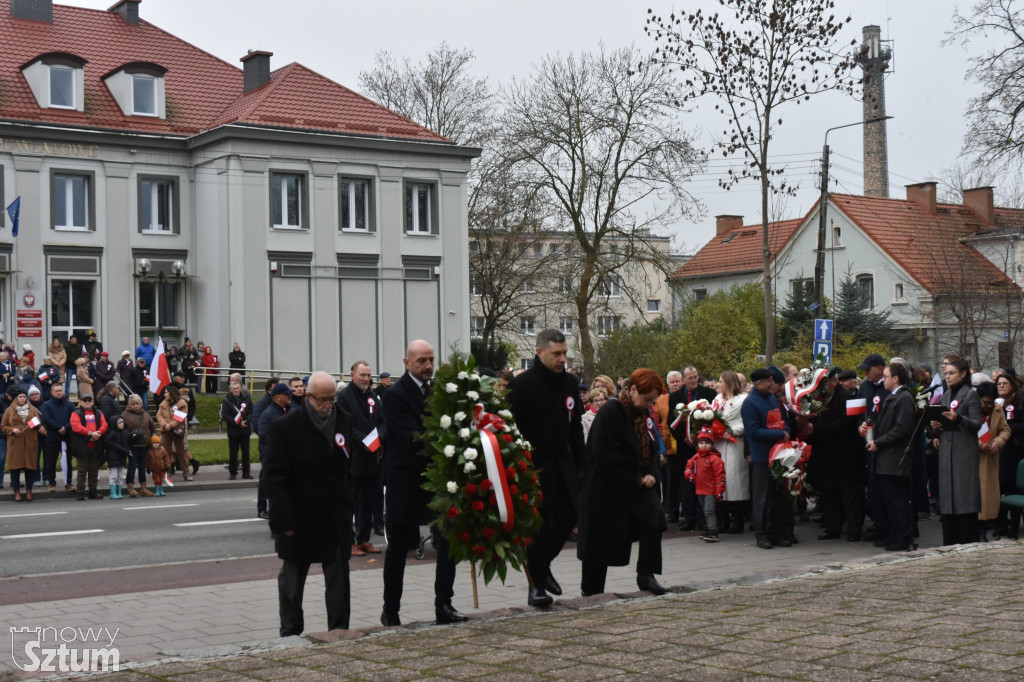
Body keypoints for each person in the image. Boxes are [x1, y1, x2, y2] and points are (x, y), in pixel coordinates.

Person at [381, 339, 467, 626]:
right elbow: (411, 437)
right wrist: (450, 443)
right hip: (406, 481)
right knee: (398, 547)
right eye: (421, 361)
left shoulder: (440, 392)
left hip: (439, 479)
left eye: (431, 359)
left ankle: (444, 603)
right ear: (407, 363)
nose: (428, 365)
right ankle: (390, 609)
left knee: (447, 540)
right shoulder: (394, 395)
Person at [264, 372, 355, 637]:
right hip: (299, 516)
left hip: (334, 514)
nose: (327, 405)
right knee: (292, 580)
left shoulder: (344, 420)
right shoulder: (285, 427)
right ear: (308, 395)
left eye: (331, 399)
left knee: (338, 576)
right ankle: (290, 632)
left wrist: (349, 504)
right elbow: (274, 477)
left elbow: (347, 467)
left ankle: (339, 629)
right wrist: (283, 520)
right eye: (321, 400)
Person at [507, 329, 587, 608]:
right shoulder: (522, 385)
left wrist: (582, 464)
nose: (562, 359)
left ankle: (541, 566)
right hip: (534, 468)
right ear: (539, 353)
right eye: (556, 354)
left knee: (568, 519)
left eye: (565, 353)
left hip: (565, 465)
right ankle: (536, 586)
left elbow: (575, 427)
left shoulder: (570, 383)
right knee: (539, 527)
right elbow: (511, 429)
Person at [578, 368, 668, 595]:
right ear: (633, 389)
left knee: (654, 517)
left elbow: (649, 445)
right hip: (606, 486)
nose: (649, 405)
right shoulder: (611, 411)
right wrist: (636, 479)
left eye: (652, 401)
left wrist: (651, 473)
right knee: (600, 541)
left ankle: (646, 574)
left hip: (636, 482)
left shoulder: (641, 412)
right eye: (647, 399)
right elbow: (602, 454)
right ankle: (591, 592)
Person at [802, 369, 865, 541]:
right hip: (825, 455)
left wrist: (816, 429)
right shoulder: (818, 398)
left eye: (823, 383)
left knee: (849, 495)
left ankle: (854, 530)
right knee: (829, 494)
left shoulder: (847, 398)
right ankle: (832, 527)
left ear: (834, 382)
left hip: (845, 455)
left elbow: (845, 424)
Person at [860, 363, 916, 551]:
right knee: (888, 500)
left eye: (886, 376)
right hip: (886, 458)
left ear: (896, 378)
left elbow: (902, 428)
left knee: (897, 500)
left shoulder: (904, 398)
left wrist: (879, 442)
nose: (883, 380)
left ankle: (903, 537)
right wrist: (870, 426)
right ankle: (893, 534)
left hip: (895, 458)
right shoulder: (893, 397)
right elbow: (885, 424)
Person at [930, 355, 982, 545]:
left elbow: (977, 424)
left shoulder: (971, 395)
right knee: (948, 498)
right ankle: (950, 543)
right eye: (947, 373)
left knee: (964, 498)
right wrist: (937, 426)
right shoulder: (946, 395)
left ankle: (968, 541)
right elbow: (946, 422)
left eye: (952, 373)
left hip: (964, 453)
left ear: (963, 374)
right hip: (947, 452)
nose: (948, 376)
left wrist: (958, 419)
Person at [337, 360, 385, 556]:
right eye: (362, 375)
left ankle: (363, 539)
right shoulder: (344, 398)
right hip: (352, 459)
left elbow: (382, 422)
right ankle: (349, 542)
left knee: (368, 501)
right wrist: (364, 441)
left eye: (368, 375)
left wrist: (378, 438)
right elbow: (344, 426)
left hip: (372, 458)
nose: (366, 379)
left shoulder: (373, 397)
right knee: (350, 502)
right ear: (352, 376)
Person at [742, 368, 793, 550]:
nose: (773, 384)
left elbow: (782, 420)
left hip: (779, 454)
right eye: (769, 381)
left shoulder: (772, 398)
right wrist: (780, 434)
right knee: (762, 498)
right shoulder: (750, 403)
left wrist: (786, 431)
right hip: (762, 457)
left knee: (777, 497)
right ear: (759, 383)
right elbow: (753, 431)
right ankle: (762, 535)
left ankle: (775, 532)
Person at [668, 366, 716, 530]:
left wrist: (700, 438)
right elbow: (671, 422)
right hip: (684, 447)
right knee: (687, 483)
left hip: (704, 446)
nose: (694, 380)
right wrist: (685, 438)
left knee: (704, 481)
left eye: (696, 377)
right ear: (683, 380)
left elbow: (713, 418)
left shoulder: (709, 394)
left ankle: (703, 518)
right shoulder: (675, 397)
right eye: (690, 378)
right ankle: (689, 518)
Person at [712, 371, 748, 534]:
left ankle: (738, 519)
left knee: (735, 482)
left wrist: (732, 431)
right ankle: (723, 519)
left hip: (735, 444)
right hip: (719, 444)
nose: (718, 384)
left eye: (721, 381)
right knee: (720, 481)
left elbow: (747, 421)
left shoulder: (743, 400)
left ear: (729, 383)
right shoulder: (717, 399)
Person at [975, 381, 1010, 541]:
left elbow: (1005, 430)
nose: (988, 406)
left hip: (991, 459)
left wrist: (998, 442)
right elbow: (966, 432)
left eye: (991, 402)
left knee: (988, 498)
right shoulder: (973, 409)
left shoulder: (997, 409)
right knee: (977, 497)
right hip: (975, 459)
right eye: (985, 402)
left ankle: (984, 532)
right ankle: (978, 533)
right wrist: (980, 444)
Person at [994, 372, 1024, 538]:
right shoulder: (994, 404)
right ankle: (1001, 525)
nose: (1001, 386)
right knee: (999, 490)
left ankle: (1014, 526)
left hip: (1014, 452)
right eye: (999, 384)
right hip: (998, 452)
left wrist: (1006, 428)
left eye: (1005, 383)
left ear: (1012, 385)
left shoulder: (1019, 403)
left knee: (1013, 489)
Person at [258, 383, 293, 519]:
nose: (290, 395)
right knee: (273, 486)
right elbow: (264, 435)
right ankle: (270, 515)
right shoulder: (268, 415)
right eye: (287, 394)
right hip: (273, 456)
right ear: (278, 397)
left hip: (287, 456)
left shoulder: (289, 410)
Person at [685, 426, 726, 542]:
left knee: (709, 510)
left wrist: (719, 490)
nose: (704, 445)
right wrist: (690, 475)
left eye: (707, 443)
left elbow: (720, 475)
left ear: (712, 445)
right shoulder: (696, 457)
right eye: (701, 443)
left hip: (711, 491)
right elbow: (688, 467)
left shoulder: (715, 459)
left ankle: (713, 532)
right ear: (697, 445)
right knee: (705, 510)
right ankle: (709, 529)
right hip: (700, 490)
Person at [3, 389, 45, 502]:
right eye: (20, 397)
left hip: (30, 442)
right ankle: (16, 492)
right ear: (16, 398)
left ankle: (29, 491)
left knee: (29, 467)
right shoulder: (9, 411)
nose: (22, 399)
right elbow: (3, 426)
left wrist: (37, 426)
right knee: (15, 468)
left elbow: (38, 422)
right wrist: (12, 430)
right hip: (15, 443)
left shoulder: (32, 410)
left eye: (24, 397)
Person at [69, 394, 108, 500]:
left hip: (96, 446)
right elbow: (76, 426)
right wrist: (90, 433)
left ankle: (93, 492)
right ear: (80, 402)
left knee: (94, 471)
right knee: (82, 470)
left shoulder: (98, 413)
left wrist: (98, 433)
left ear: (93, 402)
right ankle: (80, 492)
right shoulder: (76, 413)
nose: (87, 402)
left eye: (89, 400)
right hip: (82, 446)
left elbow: (104, 425)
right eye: (84, 400)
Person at [39, 383, 72, 492]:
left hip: (67, 436)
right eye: (56, 391)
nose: (59, 393)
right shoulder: (46, 405)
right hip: (53, 436)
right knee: (51, 461)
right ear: (52, 392)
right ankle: (51, 483)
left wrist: (65, 428)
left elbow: (73, 418)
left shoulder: (69, 404)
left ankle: (68, 482)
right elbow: (46, 419)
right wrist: (58, 428)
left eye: (60, 390)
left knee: (68, 461)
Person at [122, 394, 155, 497]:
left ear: (140, 404)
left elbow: (152, 427)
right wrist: (129, 436)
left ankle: (143, 487)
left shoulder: (145, 414)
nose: (136, 405)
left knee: (142, 466)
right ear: (129, 405)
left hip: (144, 444)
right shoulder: (125, 415)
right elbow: (122, 430)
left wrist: (153, 437)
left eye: (137, 403)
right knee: (132, 466)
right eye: (133, 404)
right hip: (132, 445)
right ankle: (130, 487)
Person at [157, 385, 191, 481]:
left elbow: (180, 417)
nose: (164, 395)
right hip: (165, 431)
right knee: (166, 452)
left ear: (172, 394)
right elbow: (159, 415)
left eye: (166, 393)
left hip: (177, 431)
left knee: (181, 452)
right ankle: (167, 472)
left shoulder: (182, 404)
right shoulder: (163, 403)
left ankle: (186, 472)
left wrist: (170, 425)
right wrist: (165, 425)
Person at [220, 382, 253, 480]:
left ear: (240, 389)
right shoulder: (226, 401)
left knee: (246, 454)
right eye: (234, 388)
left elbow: (251, 411)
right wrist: (238, 423)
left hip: (245, 430)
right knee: (233, 454)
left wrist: (247, 421)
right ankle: (233, 473)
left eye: (237, 388)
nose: (236, 390)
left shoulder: (247, 399)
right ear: (231, 390)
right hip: (233, 432)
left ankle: (246, 473)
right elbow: (225, 416)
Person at [104, 416, 130, 499]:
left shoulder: (125, 433)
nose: (122, 424)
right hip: (113, 457)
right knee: (113, 476)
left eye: (122, 422)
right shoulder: (111, 434)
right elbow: (113, 445)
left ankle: (119, 492)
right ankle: (113, 493)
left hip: (121, 457)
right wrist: (126, 451)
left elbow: (127, 444)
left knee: (120, 476)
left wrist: (128, 450)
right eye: (119, 423)